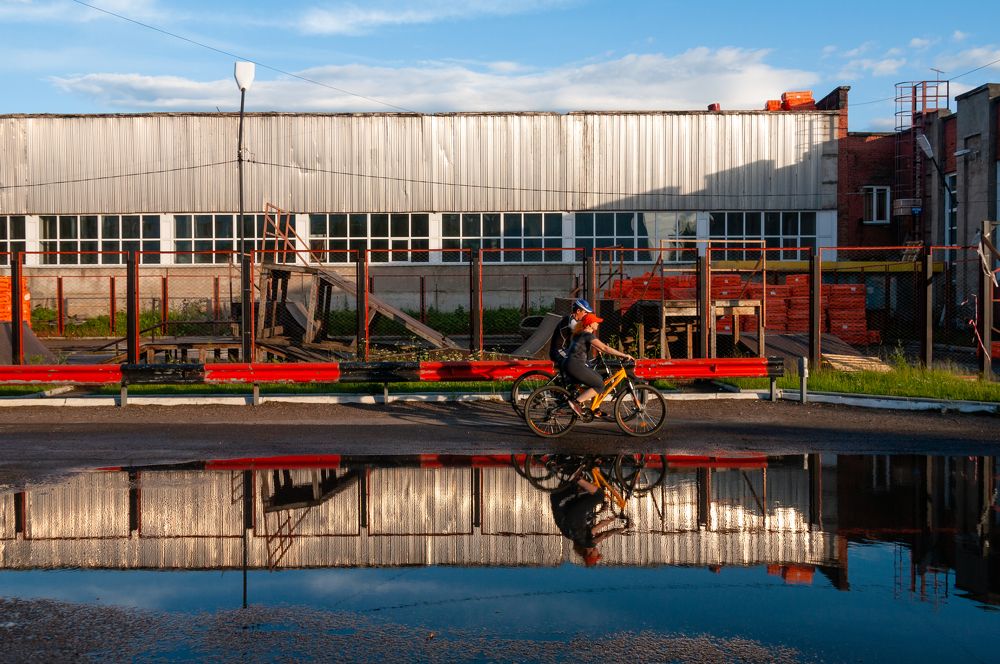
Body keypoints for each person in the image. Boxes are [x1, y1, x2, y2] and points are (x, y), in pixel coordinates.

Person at [561, 313, 634, 417]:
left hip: (570, 364)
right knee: (600, 385)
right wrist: (624, 355)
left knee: (599, 378)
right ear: (590, 324)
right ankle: (575, 403)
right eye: (596, 322)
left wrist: (606, 351)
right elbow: (605, 348)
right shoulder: (587, 335)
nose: (598, 324)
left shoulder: (580, 333)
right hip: (576, 365)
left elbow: (600, 348)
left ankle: (594, 408)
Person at [549, 471, 628, 567]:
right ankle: (580, 468)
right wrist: (602, 512)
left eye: (597, 555)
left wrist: (623, 528)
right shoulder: (578, 537)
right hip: (559, 499)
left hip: (565, 501)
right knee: (593, 492)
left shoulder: (588, 544)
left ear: (589, 554)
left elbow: (604, 534)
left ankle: (577, 478)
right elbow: (590, 520)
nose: (598, 553)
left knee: (599, 495)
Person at [548, 298, 593, 365]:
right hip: (559, 352)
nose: (587, 315)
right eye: (585, 312)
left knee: (585, 363)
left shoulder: (576, 321)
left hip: (567, 351)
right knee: (582, 365)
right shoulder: (570, 320)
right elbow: (584, 335)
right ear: (578, 311)